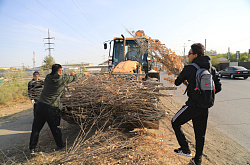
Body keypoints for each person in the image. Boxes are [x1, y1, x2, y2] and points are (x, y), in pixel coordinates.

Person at [171, 43, 221, 165]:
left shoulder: (190, 68)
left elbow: (177, 82)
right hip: (205, 107)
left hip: (193, 106)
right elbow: (218, 88)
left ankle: (185, 149)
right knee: (200, 134)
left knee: (175, 122)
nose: (188, 55)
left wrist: (191, 86)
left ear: (195, 55)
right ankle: (197, 160)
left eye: (189, 53)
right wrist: (204, 95)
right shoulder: (211, 69)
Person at [29, 64, 88, 154]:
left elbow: (61, 76)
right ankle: (60, 145)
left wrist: (68, 75)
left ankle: (32, 148)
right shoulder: (62, 80)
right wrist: (83, 73)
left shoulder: (48, 77)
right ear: (60, 71)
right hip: (51, 108)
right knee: (55, 128)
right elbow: (75, 78)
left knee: (36, 129)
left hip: (40, 106)